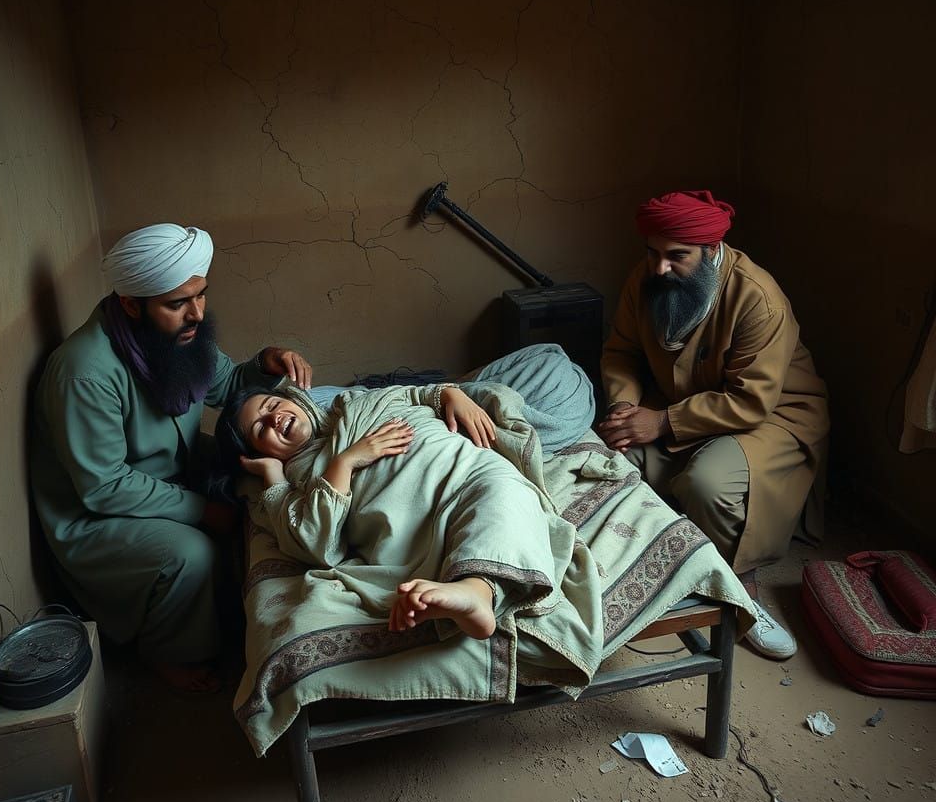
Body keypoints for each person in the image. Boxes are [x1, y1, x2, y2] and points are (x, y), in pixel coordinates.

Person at [31, 223, 312, 693]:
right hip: (96, 515)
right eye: (177, 303)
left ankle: (225, 607)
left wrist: (267, 360)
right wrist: (202, 510)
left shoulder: (174, 337)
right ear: (131, 304)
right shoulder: (84, 373)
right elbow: (103, 486)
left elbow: (225, 384)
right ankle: (167, 652)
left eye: (200, 296)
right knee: (192, 554)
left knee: (247, 474)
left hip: (163, 474)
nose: (196, 314)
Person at [596, 190, 829, 660]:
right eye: (653, 253)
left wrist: (662, 422)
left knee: (707, 482)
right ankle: (649, 573)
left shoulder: (757, 297)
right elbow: (622, 352)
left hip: (766, 417)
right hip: (678, 406)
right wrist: (625, 411)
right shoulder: (646, 277)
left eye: (677, 256)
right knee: (612, 460)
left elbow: (750, 400)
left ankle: (740, 590)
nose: (659, 268)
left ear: (712, 251)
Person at [215, 380, 573, 640]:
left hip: (468, 472)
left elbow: (412, 394)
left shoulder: (352, 404)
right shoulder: (298, 479)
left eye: (272, 406)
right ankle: (472, 590)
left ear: (290, 397)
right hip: (413, 519)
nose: (274, 418)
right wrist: (345, 461)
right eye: (260, 428)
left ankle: (476, 592)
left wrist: (451, 394)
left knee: (506, 490)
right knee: (485, 516)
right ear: (260, 452)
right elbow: (314, 543)